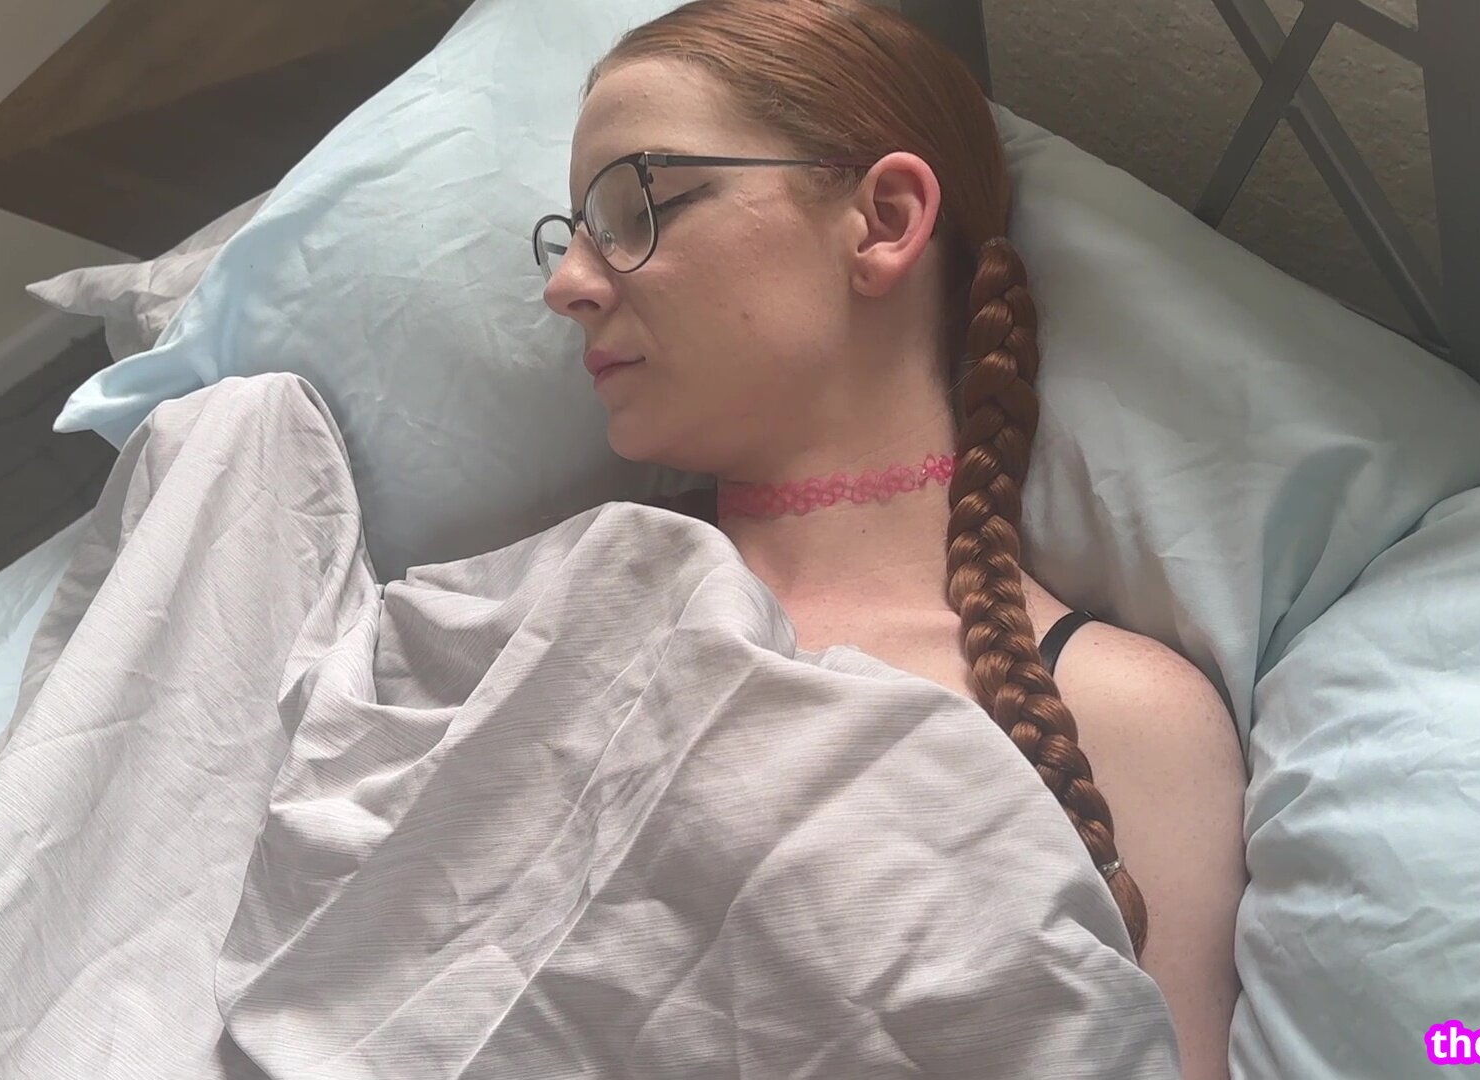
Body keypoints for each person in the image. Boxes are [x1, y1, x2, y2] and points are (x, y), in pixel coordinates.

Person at [533, 2, 1245, 1076]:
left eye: (636, 208)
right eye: (572, 236)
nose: (567, 286)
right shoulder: (556, 600)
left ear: (883, 219)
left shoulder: (1120, 721)